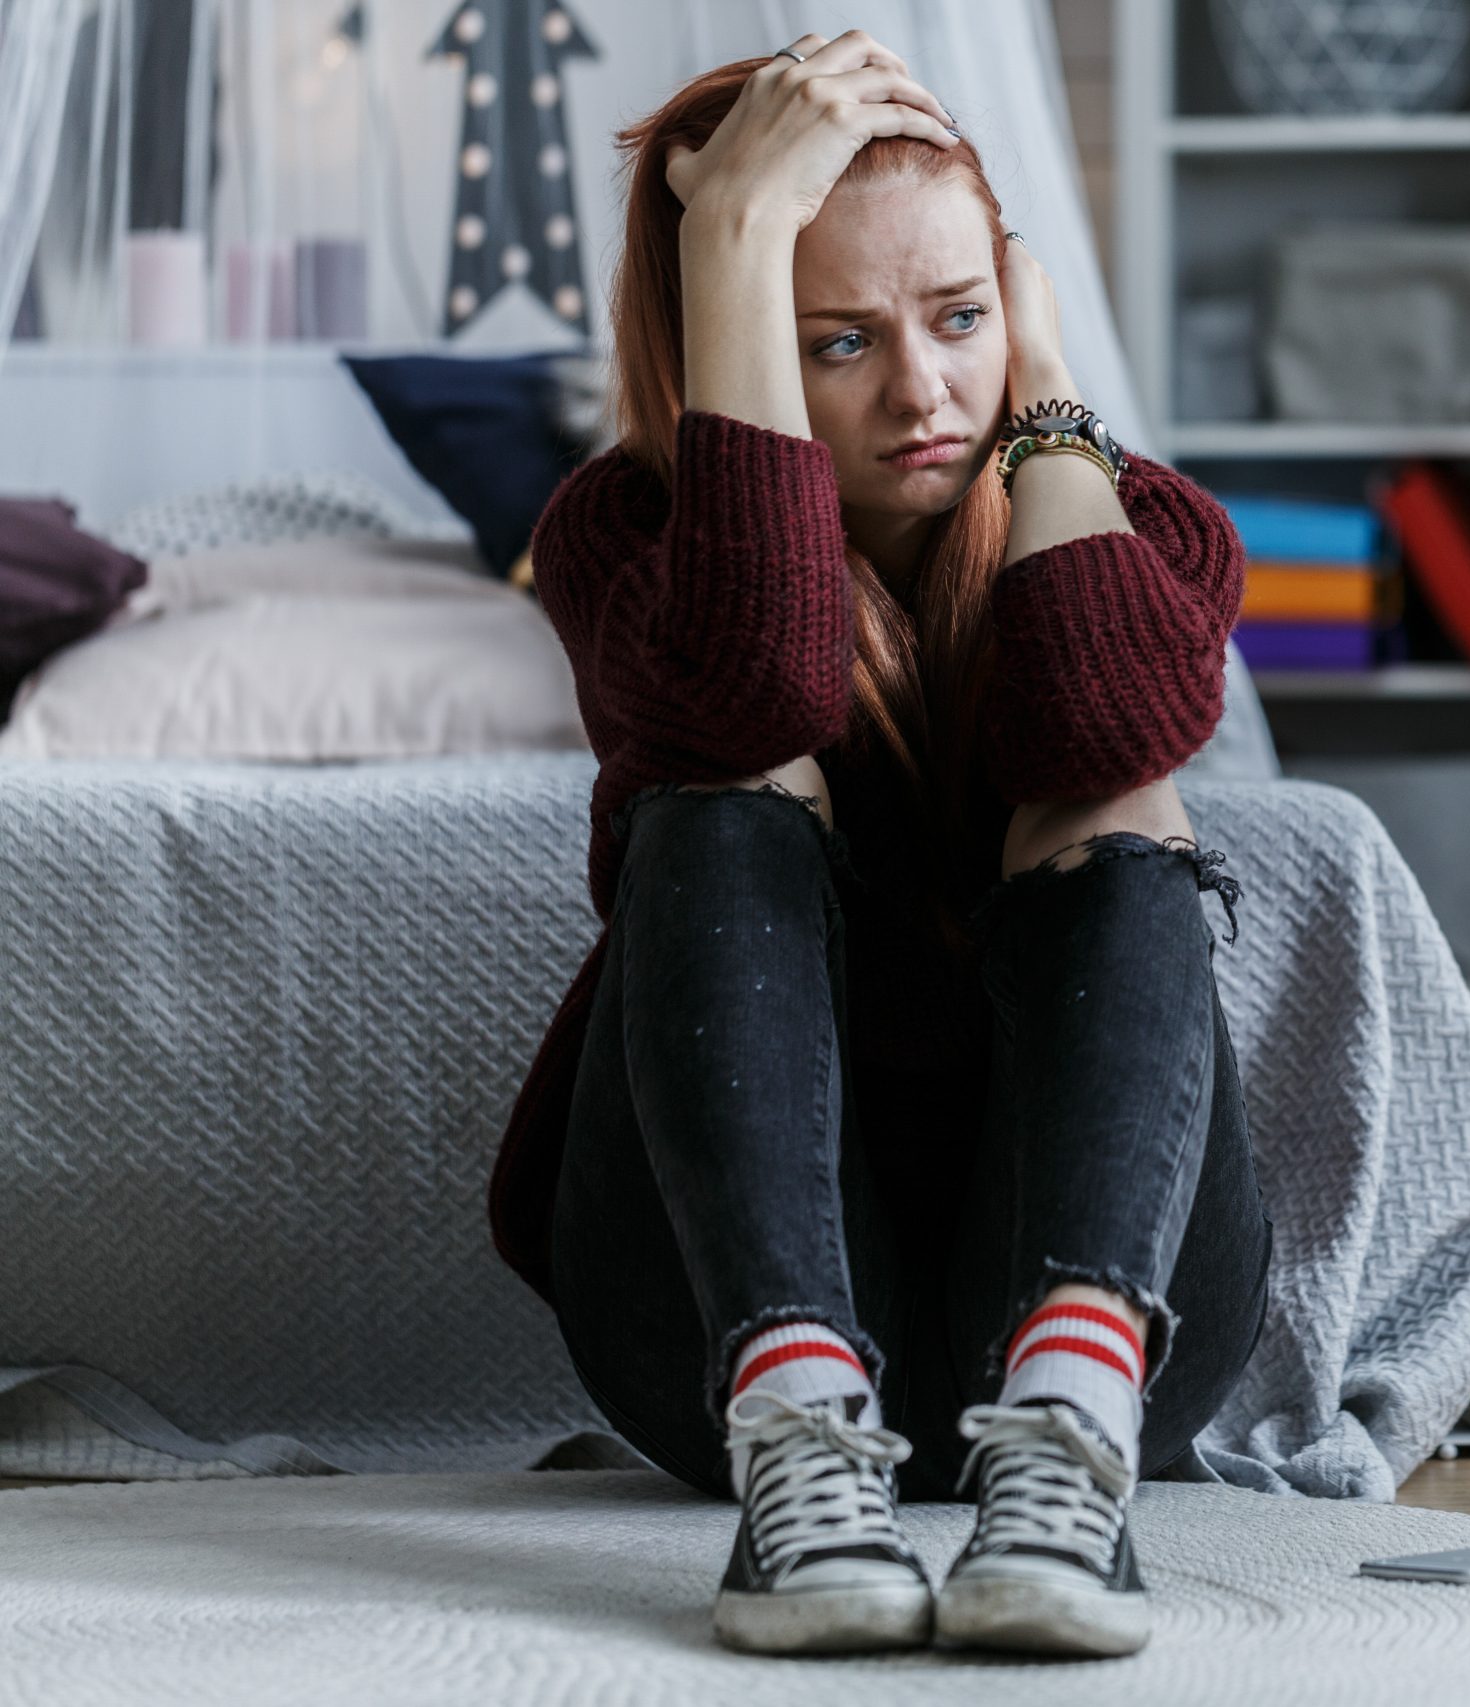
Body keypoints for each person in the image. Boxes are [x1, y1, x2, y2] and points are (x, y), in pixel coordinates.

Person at [481, 28, 1271, 1661]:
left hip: (1101, 1325)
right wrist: (724, 241)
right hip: (707, 1328)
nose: (924, 393)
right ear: (736, 341)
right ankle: (799, 1446)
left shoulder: (1151, 525)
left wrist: (1047, 398)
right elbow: (753, 684)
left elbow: (1098, 733)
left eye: (961, 317)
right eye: (837, 342)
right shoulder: (619, 540)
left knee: (1122, 792)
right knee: (723, 785)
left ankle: (1066, 1435)